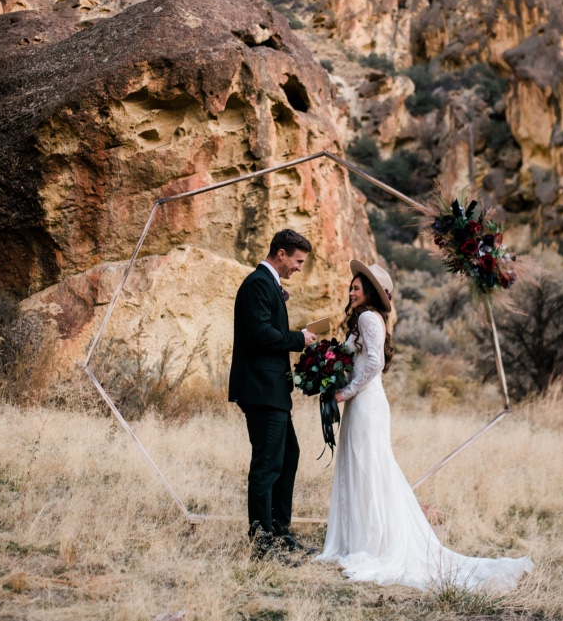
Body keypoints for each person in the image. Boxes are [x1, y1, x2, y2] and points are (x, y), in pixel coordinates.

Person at [315, 260, 534, 592]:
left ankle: (371, 543)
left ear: (370, 292)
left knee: (369, 467)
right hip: (361, 403)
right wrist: (328, 374)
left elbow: (375, 362)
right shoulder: (364, 320)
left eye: (356, 287)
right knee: (362, 466)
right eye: (351, 287)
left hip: (366, 405)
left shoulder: (367, 318)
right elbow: (358, 361)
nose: (351, 291)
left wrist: (344, 392)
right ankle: (359, 539)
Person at [228, 229, 319, 561]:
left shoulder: (268, 285)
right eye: (297, 261)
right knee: (266, 465)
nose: (298, 267)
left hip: (273, 390)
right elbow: (260, 333)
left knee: (288, 456)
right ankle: (260, 541)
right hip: (261, 390)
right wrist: (298, 339)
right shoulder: (257, 284)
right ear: (281, 254)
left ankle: (279, 530)